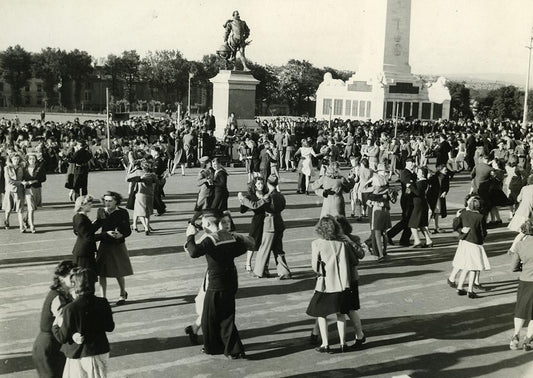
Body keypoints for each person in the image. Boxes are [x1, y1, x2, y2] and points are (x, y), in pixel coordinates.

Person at [184, 210, 248, 359]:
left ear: (207, 224)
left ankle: (214, 347)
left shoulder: (210, 240)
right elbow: (243, 248)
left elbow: (193, 252)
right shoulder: (230, 237)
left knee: (209, 318)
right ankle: (233, 349)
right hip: (231, 279)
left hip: (215, 282)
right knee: (227, 315)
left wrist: (190, 235)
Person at [306, 216, 359, 353]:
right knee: (341, 314)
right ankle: (343, 343)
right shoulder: (341, 244)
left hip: (324, 283)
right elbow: (344, 264)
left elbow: (315, 266)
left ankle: (325, 343)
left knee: (321, 314)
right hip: (341, 283)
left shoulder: (316, 243)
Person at [52, 268, 115, 378]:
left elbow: (62, 337)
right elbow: (110, 327)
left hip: (80, 354)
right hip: (101, 350)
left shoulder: (70, 308)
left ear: (75, 285)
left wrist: (55, 325)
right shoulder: (103, 302)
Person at [32, 261, 76, 378]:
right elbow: (65, 323)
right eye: (71, 276)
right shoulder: (57, 297)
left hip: (55, 344)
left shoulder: (65, 294)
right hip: (49, 346)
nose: (75, 279)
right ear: (61, 278)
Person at [94, 191, 133, 304]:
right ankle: (103, 298)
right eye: (106, 200)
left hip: (117, 244)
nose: (107, 203)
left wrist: (121, 234)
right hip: (104, 244)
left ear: (116, 201)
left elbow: (127, 230)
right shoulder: (101, 211)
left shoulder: (122, 212)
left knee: (118, 271)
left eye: (110, 201)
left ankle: (122, 294)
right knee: (101, 272)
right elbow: (96, 225)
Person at [448, 196, 490, 298]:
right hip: (475, 243)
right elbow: (483, 232)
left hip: (464, 241)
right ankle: (470, 290)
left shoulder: (463, 213)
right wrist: (483, 238)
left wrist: (461, 230)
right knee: (474, 267)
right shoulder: (480, 217)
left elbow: (455, 226)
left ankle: (460, 287)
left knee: (466, 266)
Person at [251, 174, 291, 279]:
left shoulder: (268, 196)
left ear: (268, 183)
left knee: (264, 248)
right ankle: (284, 271)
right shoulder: (280, 195)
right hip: (279, 222)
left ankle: (260, 271)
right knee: (278, 249)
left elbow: (255, 205)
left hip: (269, 223)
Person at [509, 219, 533, 351]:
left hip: (525, 281)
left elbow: (513, 267)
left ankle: (515, 336)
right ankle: (528, 339)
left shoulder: (519, 245)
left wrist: (522, 267)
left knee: (521, 310)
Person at [238, 176, 268, 272]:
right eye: (258, 184)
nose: (261, 185)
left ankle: (264, 265)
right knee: (252, 243)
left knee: (264, 244)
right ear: (254, 185)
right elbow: (242, 211)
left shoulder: (266, 194)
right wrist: (242, 201)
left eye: (262, 183)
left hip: (266, 220)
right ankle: (248, 263)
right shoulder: (251, 196)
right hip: (257, 221)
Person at [387, 158, 416, 246]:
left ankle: (404, 240)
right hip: (407, 200)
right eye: (411, 162)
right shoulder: (405, 173)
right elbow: (409, 187)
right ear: (407, 163)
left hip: (409, 199)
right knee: (406, 220)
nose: (413, 164)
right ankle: (390, 235)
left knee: (408, 220)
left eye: (414, 162)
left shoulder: (411, 173)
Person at [127, 159, 158, 235]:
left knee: (139, 212)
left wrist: (133, 170)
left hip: (140, 194)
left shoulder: (139, 173)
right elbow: (158, 182)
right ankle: (147, 227)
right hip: (150, 194)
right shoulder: (153, 175)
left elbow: (127, 178)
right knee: (147, 213)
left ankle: (145, 227)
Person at [72, 195, 100, 272]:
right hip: (84, 253)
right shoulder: (81, 219)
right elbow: (89, 237)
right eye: (89, 204)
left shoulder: (77, 216)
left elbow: (82, 231)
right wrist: (105, 235)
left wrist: (98, 222)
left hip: (83, 251)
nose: (91, 206)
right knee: (86, 278)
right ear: (82, 205)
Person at [408, 166, 433, 248]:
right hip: (423, 204)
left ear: (422, 174)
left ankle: (417, 241)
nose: (417, 173)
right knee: (422, 224)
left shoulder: (421, 183)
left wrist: (410, 186)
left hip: (419, 205)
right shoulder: (426, 182)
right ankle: (429, 240)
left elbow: (417, 193)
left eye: (418, 172)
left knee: (412, 224)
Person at [22, 153, 46, 233]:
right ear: (27, 160)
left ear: (35, 160)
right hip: (28, 190)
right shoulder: (24, 168)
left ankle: (25, 219)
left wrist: (35, 181)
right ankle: (32, 226)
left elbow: (43, 178)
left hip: (37, 189)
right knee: (31, 208)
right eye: (30, 159)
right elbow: (21, 178)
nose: (31, 160)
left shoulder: (39, 167)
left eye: (33, 159)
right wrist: (24, 182)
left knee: (33, 208)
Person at [3, 152, 25, 231]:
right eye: (15, 159)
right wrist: (20, 182)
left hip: (19, 190)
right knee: (8, 209)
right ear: (11, 159)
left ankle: (21, 227)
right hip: (10, 190)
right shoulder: (6, 168)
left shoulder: (21, 167)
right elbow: (9, 180)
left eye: (18, 159)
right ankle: (6, 220)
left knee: (20, 209)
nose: (16, 160)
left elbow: (24, 177)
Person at [190, 156, 214, 224]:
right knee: (200, 209)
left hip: (210, 192)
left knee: (207, 209)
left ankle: (202, 223)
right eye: (209, 163)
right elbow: (198, 183)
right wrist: (205, 180)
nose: (211, 164)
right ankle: (192, 221)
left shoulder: (212, 170)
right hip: (204, 193)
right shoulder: (202, 172)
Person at [427, 164, 450, 233]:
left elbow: (447, 186)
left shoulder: (446, 177)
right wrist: (428, 177)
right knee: (430, 212)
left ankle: (436, 227)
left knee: (437, 212)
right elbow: (428, 183)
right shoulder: (434, 177)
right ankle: (426, 227)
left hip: (439, 197)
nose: (446, 171)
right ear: (440, 170)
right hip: (432, 197)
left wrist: (445, 192)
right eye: (445, 170)